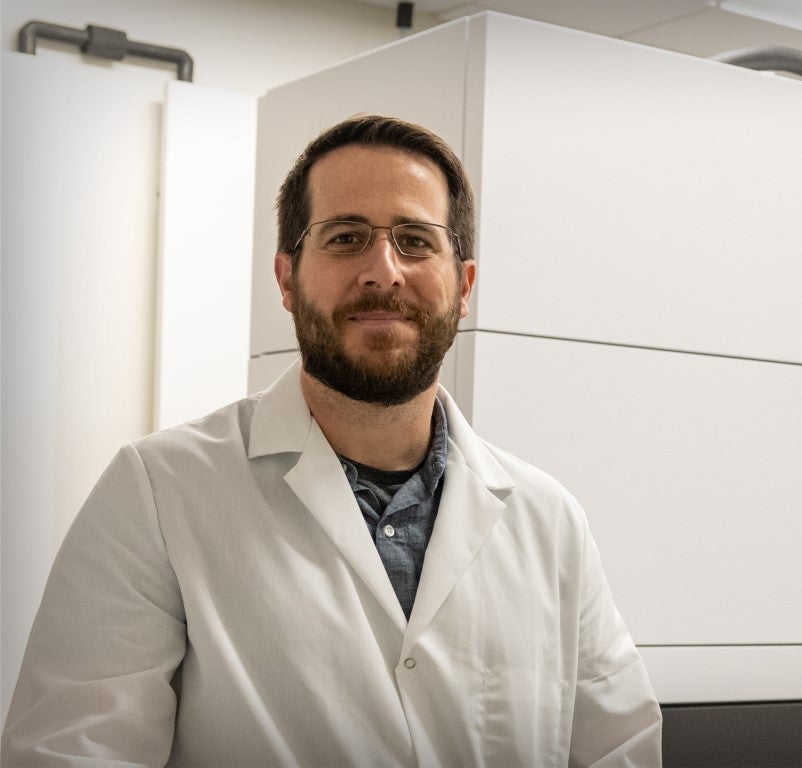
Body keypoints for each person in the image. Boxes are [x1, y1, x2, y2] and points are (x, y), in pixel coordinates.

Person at [1, 115, 662, 767]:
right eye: (346, 238)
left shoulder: (549, 523)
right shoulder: (159, 492)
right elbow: (72, 751)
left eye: (415, 240)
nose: (383, 270)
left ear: (463, 288)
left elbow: (619, 751)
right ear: (287, 280)